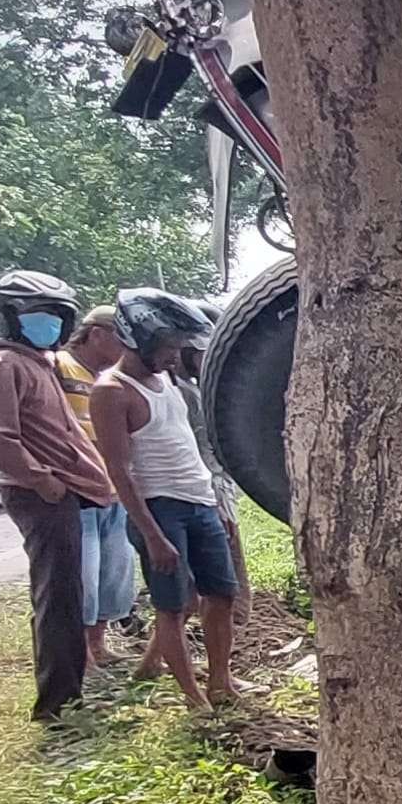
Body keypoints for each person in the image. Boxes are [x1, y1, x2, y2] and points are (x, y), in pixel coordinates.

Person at [0, 270, 114, 723]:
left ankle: (68, 695)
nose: (48, 323)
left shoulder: (37, 362)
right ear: (12, 317)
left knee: (68, 594)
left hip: (62, 492)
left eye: (55, 315)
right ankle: (57, 705)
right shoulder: (5, 364)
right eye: (37, 315)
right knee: (57, 597)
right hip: (41, 495)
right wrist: (42, 480)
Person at [90, 288, 241, 709]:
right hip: (159, 507)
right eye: (166, 347)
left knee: (221, 595)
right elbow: (119, 470)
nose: (175, 355)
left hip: (198, 501)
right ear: (135, 339)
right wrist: (152, 535)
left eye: (177, 346)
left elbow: (185, 444)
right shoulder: (111, 391)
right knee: (172, 607)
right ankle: (193, 698)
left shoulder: (166, 380)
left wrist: (214, 503)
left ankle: (221, 681)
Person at [54, 305, 138, 670]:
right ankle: (80, 654)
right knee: (82, 575)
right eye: (120, 338)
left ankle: (98, 644)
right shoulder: (57, 366)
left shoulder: (112, 378)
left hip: (114, 487)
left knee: (113, 573)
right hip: (78, 490)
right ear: (97, 334)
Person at [174, 299, 253, 628]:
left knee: (226, 578)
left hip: (216, 488)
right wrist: (215, 499)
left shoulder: (197, 390)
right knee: (214, 582)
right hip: (203, 493)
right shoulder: (180, 394)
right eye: (203, 352)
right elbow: (194, 452)